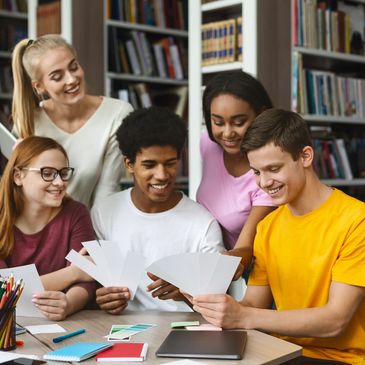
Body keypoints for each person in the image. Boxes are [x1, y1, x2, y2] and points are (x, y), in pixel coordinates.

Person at [190, 109, 365, 365]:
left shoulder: (356, 219)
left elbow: (335, 321)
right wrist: (212, 302)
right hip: (279, 353)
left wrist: (242, 316)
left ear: (305, 156)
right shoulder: (268, 225)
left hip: (340, 359)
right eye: (257, 172)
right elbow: (252, 304)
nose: (263, 182)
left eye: (273, 169)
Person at [91, 106, 224, 314]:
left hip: (183, 332)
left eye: (170, 163)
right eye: (149, 165)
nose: (162, 175)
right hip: (119, 330)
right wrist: (103, 297)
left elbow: (218, 305)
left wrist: (186, 292)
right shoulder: (104, 212)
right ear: (129, 164)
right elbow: (97, 285)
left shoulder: (202, 224)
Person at [11, 34, 133, 208]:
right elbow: (20, 197)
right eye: (57, 76)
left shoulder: (117, 114)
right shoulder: (27, 122)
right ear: (39, 86)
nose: (71, 79)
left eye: (74, 67)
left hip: (87, 228)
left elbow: (106, 192)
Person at [0, 136, 96, 321]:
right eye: (48, 173)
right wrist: (73, 272)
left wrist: (68, 304)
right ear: (18, 176)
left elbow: (88, 281)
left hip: (65, 324)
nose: (60, 182)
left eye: (63, 173)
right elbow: (3, 292)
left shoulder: (76, 213)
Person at [197, 70, 275, 274]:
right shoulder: (207, 143)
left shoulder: (269, 170)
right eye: (218, 122)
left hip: (264, 269)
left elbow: (246, 247)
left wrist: (203, 270)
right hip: (217, 257)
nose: (228, 133)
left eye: (239, 122)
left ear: (261, 114)